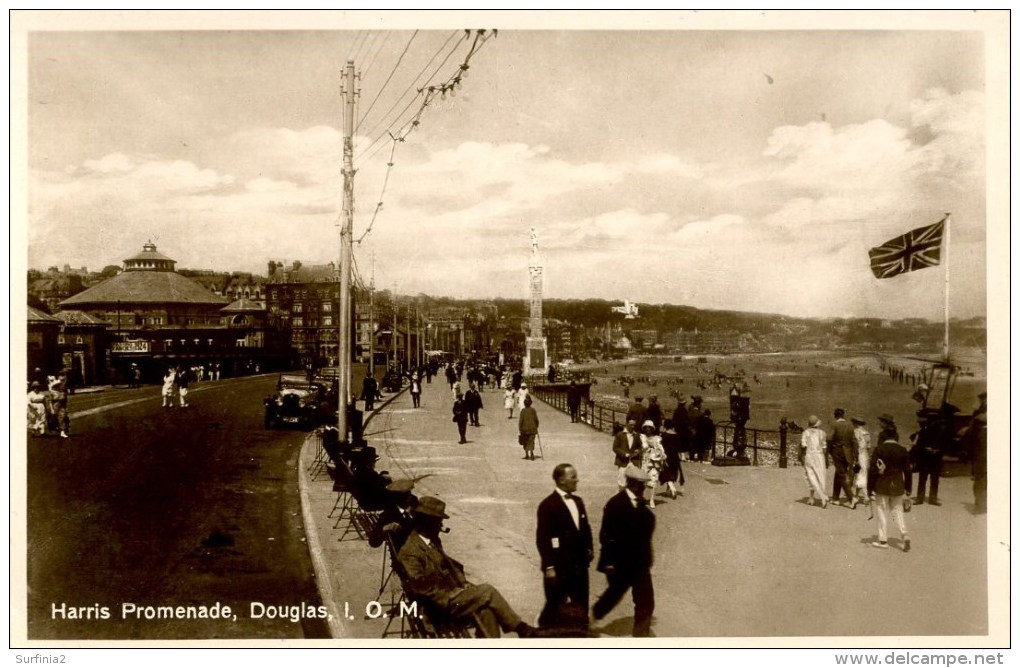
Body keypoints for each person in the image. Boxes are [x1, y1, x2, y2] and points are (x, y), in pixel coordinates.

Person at [397, 496, 536, 638]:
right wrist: (452, 594)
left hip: (452, 599)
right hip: (436, 607)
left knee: (486, 612)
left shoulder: (432, 540)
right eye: (439, 521)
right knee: (487, 591)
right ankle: (522, 629)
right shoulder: (410, 551)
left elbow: (450, 565)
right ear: (427, 521)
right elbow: (421, 587)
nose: (441, 525)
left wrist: (463, 583)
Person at [592, 465, 656, 637]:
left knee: (646, 601)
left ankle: (640, 638)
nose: (645, 488)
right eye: (642, 485)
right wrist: (609, 562)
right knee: (612, 596)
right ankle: (589, 619)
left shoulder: (641, 505)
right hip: (620, 563)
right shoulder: (615, 504)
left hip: (640, 565)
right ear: (634, 485)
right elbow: (606, 536)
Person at [536, 464, 594, 629]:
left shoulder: (578, 501)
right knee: (555, 605)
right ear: (561, 480)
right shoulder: (548, 505)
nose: (577, 480)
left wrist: (589, 548)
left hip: (579, 566)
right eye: (573, 477)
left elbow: (585, 528)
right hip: (559, 567)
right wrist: (549, 567)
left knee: (581, 605)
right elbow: (542, 539)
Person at [868, 432, 913, 551]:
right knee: (897, 511)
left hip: (881, 485)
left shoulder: (879, 449)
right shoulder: (903, 450)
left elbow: (872, 469)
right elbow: (908, 471)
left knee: (882, 512)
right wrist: (908, 488)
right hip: (898, 485)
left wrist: (869, 487)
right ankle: (904, 534)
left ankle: (883, 541)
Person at [369, 478, 418, 550]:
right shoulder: (388, 515)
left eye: (409, 494)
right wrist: (384, 529)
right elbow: (373, 542)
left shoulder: (416, 510)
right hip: (404, 555)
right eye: (405, 495)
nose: (409, 497)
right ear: (396, 498)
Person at [910, 413, 945, 506]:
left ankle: (930, 499)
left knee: (933, 479)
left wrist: (938, 450)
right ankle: (921, 498)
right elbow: (918, 445)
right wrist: (926, 449)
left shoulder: (941, 432)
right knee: (924, 479)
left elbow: (945, 445)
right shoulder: (923, 431)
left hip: (934, 458)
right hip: (926, 458)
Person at [827, 408, 858, 508]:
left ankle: (851, 498)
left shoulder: (834, 425)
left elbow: (829, 438)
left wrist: (829, 451)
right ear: (843, 415)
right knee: (839, 473)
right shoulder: (850, 425)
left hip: (838, 451)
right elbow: (854, 441)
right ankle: (835, 498)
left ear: (835, 416)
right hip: (848, 453)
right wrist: (855, 455)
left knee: (841, 474)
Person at [800, 415, 830, 508]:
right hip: (820, 456)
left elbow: (803, 446)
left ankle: (816, 497)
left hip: (809, 455)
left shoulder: (805, 432)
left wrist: (802, 456)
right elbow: (825, 448)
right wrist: (826, 458)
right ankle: (822, 496)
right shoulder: (822, 433)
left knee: (810, 476)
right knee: (821, 476)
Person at [639, 420, 666, 508]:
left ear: (652, 429)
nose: (648, 429)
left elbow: (661, 450)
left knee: (653, 480)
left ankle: (651, 499)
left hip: (654, 461)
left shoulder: (657, 438)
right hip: (644, 461)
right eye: (646, 428)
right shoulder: (641, 437)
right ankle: (641, 497)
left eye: (649, 428)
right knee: (642, 480)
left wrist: (655, 451)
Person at [611, 419, 642, 487]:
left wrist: (638, 451)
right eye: (631, 424)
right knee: (622, 481)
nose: (632, 426)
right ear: (627, 424)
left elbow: (640, 447)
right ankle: (621, 496)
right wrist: (624, 454)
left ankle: (630, 496)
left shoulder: (636, 435)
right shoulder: (620, 434)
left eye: (634, 425)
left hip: (633, 461)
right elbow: (615, 448)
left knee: (632, 482)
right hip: (622, 461)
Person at [658, 418, 684, 498]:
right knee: (673, 473)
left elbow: (661, 446)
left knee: (666, 473)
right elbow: (680, 447)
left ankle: (672, 488)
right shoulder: (677, 435)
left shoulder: (664, 435)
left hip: (666, 456)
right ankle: (668, 490)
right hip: (675, 457)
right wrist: (681, 456)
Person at [852, 416, 872, 504]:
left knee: (858, 474)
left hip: (857, 455)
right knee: (863, 474)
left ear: (856, 423)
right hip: (864, 455)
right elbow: (868, 447)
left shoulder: (854, 432)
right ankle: (857, 495)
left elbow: (853, 445)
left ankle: (865, 495)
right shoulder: (866, 433)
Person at [518, 395, 540, 461]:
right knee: (531, 441)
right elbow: (536, 419)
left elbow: (521, 421)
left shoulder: (523, 411)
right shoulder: (533, 410)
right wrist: (536, 426)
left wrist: (520, 428)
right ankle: (532, 453)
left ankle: (527, 454)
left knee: (525, 441)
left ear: (524, 404)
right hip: (532, 428)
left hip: (524, 429)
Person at [671, 396, 692, 462]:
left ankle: (679, 456)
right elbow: (688, 420)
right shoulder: (685, 411)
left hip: (678, 429)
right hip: (684, 429)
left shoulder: (676, 410)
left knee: (679, 442)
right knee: (684, 443)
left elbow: (673, 420)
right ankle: (683, 457)